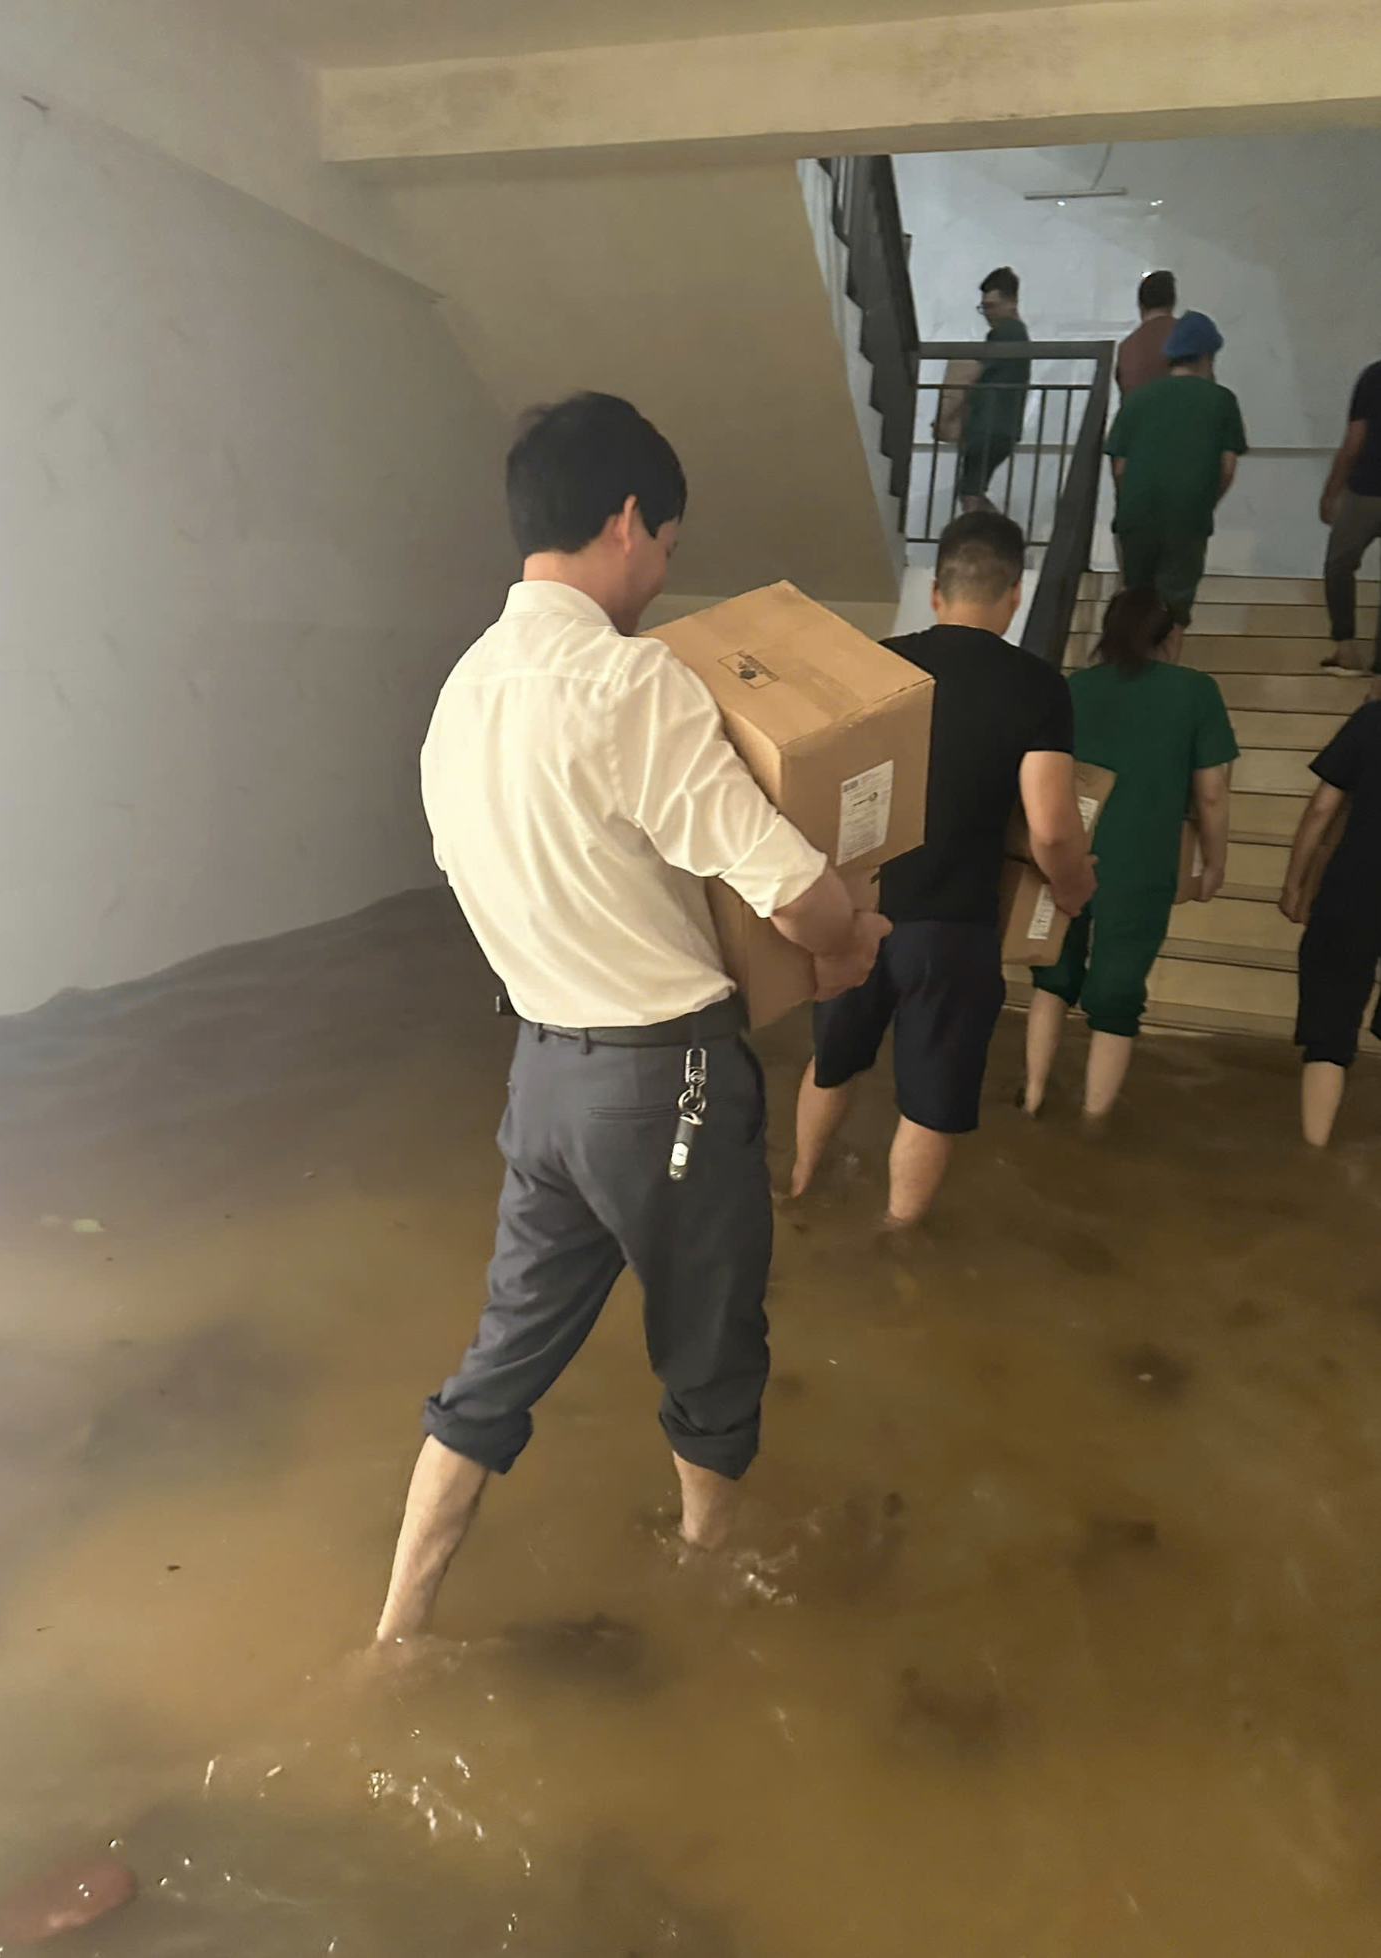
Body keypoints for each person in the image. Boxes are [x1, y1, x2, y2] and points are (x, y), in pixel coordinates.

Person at [372, 393, 888, 1649]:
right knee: (710, 1354)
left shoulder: (459, 697)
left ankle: (393, 1635)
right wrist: (854, 935)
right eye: (664, 543)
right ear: (622, 521)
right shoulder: (624, 680)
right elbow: (788, 886)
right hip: (666, 1085)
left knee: (496, 1367)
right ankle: (707, 1599)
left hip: (541, 1081)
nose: (662, 574)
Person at [788, 512, 1095, 1227]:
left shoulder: (876, 665)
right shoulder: (1038, 687)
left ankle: (799, 1186)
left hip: (853, 911)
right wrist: (1075, 891)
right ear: (1014, 594)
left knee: (832, 1063)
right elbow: (1051, 828)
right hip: (951, 927)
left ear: (935, 591)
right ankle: (898, 1245)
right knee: (930, 1104)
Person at [1023, 588, 1238, 1121]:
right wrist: (1213, 863)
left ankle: (1030, 1099)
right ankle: (1094, 1124)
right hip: (1142, 862)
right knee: (1117, 995)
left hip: (1067, 853)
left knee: (1052, 974)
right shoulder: (1196, 691)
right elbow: (1211, 794)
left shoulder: (1075, 687)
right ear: (1170, 637)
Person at [1106, 310, 1247, 639]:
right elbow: (1227, 467)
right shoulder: (1222, 401)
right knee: (1174, 605)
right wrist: (1203, 501)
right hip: (1188, 515)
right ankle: (1166, 677)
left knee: (1135, 599)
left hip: (1135, 514)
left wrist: (1133, 500)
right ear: (1206, 356)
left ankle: (1129, 676)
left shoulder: (1137, 400)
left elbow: (1120, 467)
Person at [1279, 700, 1381, 1145]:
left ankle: (1314, 1155)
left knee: (1330, 1033)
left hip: (1354, 888)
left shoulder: (1372, 719)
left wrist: (1294, 882)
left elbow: (1323, 807)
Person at [1319, 358, 1381, 678]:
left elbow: (1354, 442)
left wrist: (1331, 492)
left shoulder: (1373, 376)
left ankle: (1345, 648)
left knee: (1339, 566)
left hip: (1367, 490)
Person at [958, 268, 1031, 515]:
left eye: (992, 306)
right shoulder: (1019, 333)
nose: (988, 315)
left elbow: (970, 376)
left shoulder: (1005, 332)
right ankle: (1000, 538)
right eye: (984, 308)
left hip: (988, 425)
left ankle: (990, 544)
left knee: (970, 494)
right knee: (973, 492)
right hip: (1003, 428)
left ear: (1012, 302)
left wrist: (947, 414)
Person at [1116, 270, 1178, 397]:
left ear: (1140, 305)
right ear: (1173, 302)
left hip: (1136, 416)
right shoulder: (1187, 336)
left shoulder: (1126, 348)